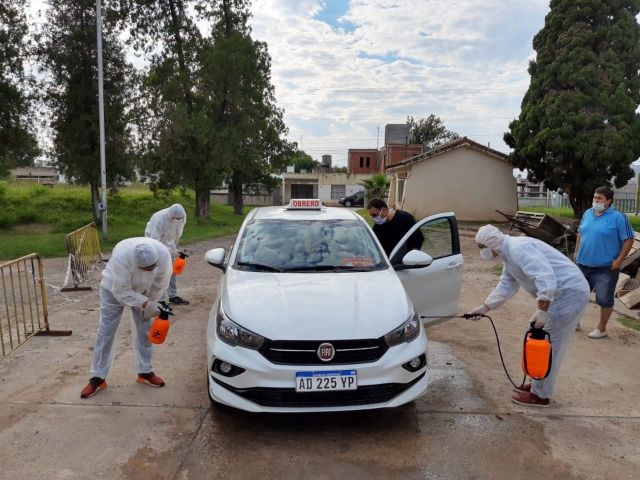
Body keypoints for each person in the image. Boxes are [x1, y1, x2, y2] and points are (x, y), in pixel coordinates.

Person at [467, 225, 590, 408]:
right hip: (561, 294)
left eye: (481, 247)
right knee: (540, 341)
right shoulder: (509, 256)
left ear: (490, 243)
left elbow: (546, 278)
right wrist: (485, 307)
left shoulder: (518, 248)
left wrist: (542, 311)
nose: (481, 252)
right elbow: (506, 285)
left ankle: (540, 395)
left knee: (549, 344)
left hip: (568, 294)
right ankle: (537, 382)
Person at [80, 238, 173, 398]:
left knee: (145, 329)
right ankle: (97, 377)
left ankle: (145, 371)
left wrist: (152, 303)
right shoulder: (122, 256)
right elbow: (121, 291)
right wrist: (144, 303)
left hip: (145, 291)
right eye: (145, 268)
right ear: (135, 264)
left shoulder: (163, 254)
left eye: (152, 267)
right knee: (106, 331)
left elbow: (161, 282)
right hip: (112, 289)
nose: (150, 271)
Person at [574, 186, 634, 339]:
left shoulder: (618, 217)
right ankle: (574, 321)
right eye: (595, 198)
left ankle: (601, 328)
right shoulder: (588, 213)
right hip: (582, 263)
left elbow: (628, 239)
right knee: (579, 294)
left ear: (608, 201)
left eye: (599, 198)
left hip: (606, 267)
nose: (596, 201)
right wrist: (576, 252)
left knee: (604, 298)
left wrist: (619, 260)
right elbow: (580, 233)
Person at [145, 203, 189, 305]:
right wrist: (163, 253)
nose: (178, 220)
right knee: (161, 272)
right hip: (155, 242)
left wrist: (174, 248)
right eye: (176, 218)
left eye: (180, 218)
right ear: (171, 215)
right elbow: (154, 239)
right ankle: (159, 300)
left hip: (170, 242)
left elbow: (178, 231)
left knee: (172, 270)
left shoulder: (182, 216)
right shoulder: (160, 219)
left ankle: (173, 296)